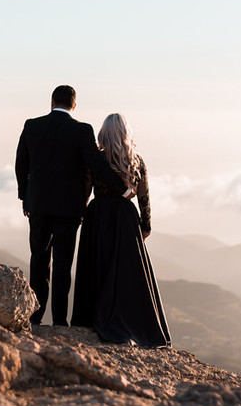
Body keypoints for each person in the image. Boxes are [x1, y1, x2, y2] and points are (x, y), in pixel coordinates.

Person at [15, 85, 125, 326]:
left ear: (52, 101)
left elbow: (21, 164)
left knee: (39, 260)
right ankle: (60, 321)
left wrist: (25, 197)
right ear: (74, 105)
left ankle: (35, 317)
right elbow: (96, 165)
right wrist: (123, 188)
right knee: (64, 265)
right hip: (69, 209)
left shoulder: (32, 126)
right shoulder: (82, 131)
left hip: (39, 206)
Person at [71, 113, 171, 348]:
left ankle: (93, 318)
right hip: (125, 219)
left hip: (99, 217)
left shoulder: (96, 159)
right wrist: (146, 225)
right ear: (127, 134)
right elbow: (144, 196)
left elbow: (85, 191)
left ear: (103, 133)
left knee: (97, 268)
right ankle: (130, 322)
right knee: (125, 273)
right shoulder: (137, 160)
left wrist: (81, 215)